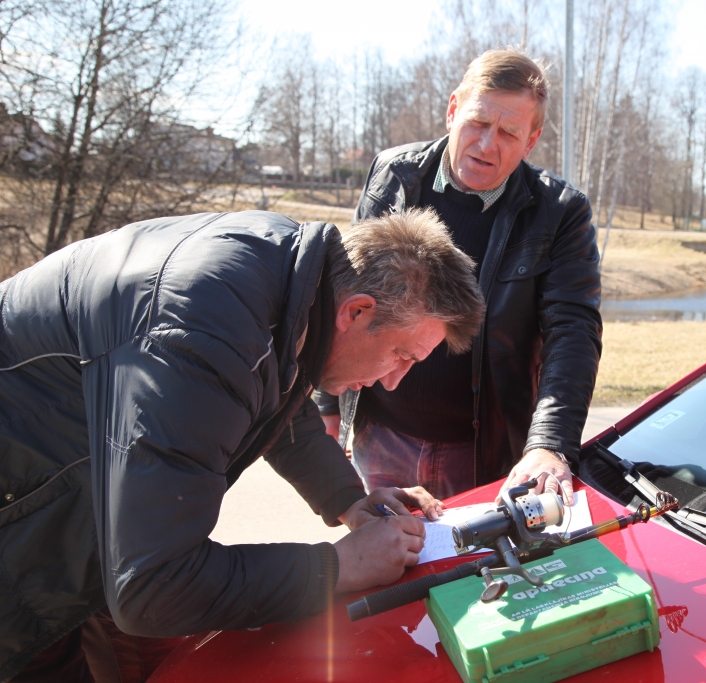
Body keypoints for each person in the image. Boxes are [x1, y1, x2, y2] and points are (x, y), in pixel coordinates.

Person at [0, 208, 484, 682]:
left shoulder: (290, 276)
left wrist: (349, 501)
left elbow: (279, 391)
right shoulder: (199, 333)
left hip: (78, 514)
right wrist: (340, 565)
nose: (395, 382)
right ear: (355, 311)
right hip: (24, 541)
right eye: (401, 355)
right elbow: (155, 586)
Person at [317, 49, 602, 508]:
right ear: (453, 110)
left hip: (482, 453)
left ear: (531, 141)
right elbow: (343, 292)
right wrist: (327, 403)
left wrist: (548, 444)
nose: (488, 145)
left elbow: (573, 333)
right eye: (477, 123)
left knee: (477, 573)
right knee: (390, 565)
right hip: (381, 435)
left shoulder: (561, 213)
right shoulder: (394, 174)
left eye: (509, 132)